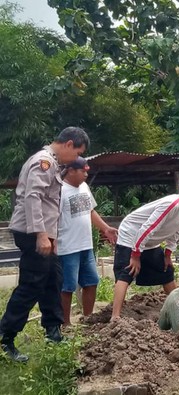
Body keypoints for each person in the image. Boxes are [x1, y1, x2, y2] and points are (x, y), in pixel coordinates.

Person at [0, 126, 89, 362]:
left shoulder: (55, 164)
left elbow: (51, 207)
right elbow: (33, 197)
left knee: (53, 280)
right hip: (31, 232)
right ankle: (5, 338)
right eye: (78, 152)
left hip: (44, 234)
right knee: (32, 285)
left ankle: (53, 331)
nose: (77, 159)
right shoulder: (43, 162)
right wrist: (41, 234)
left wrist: (52, 238)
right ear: (69, 144)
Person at [111, 181, 179, 320]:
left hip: (150, 241)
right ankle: (115, 317)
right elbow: (148, 228)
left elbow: (177, 230)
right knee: (126, 272)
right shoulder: (172, 205)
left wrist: (168, 254)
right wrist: (135, 255)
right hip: (131, 236)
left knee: (166, 270)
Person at [57, 157, 118, 326]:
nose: (85, 174)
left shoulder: (84, 187)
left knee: (91, 282)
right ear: (70, 171)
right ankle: (65, 324)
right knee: (67, 287)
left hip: (86, 245)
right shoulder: (59, 191)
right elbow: (51, 219)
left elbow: (90, 211)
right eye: (82, 171)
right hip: (67, 247)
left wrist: (105, 228)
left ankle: (88, 319)